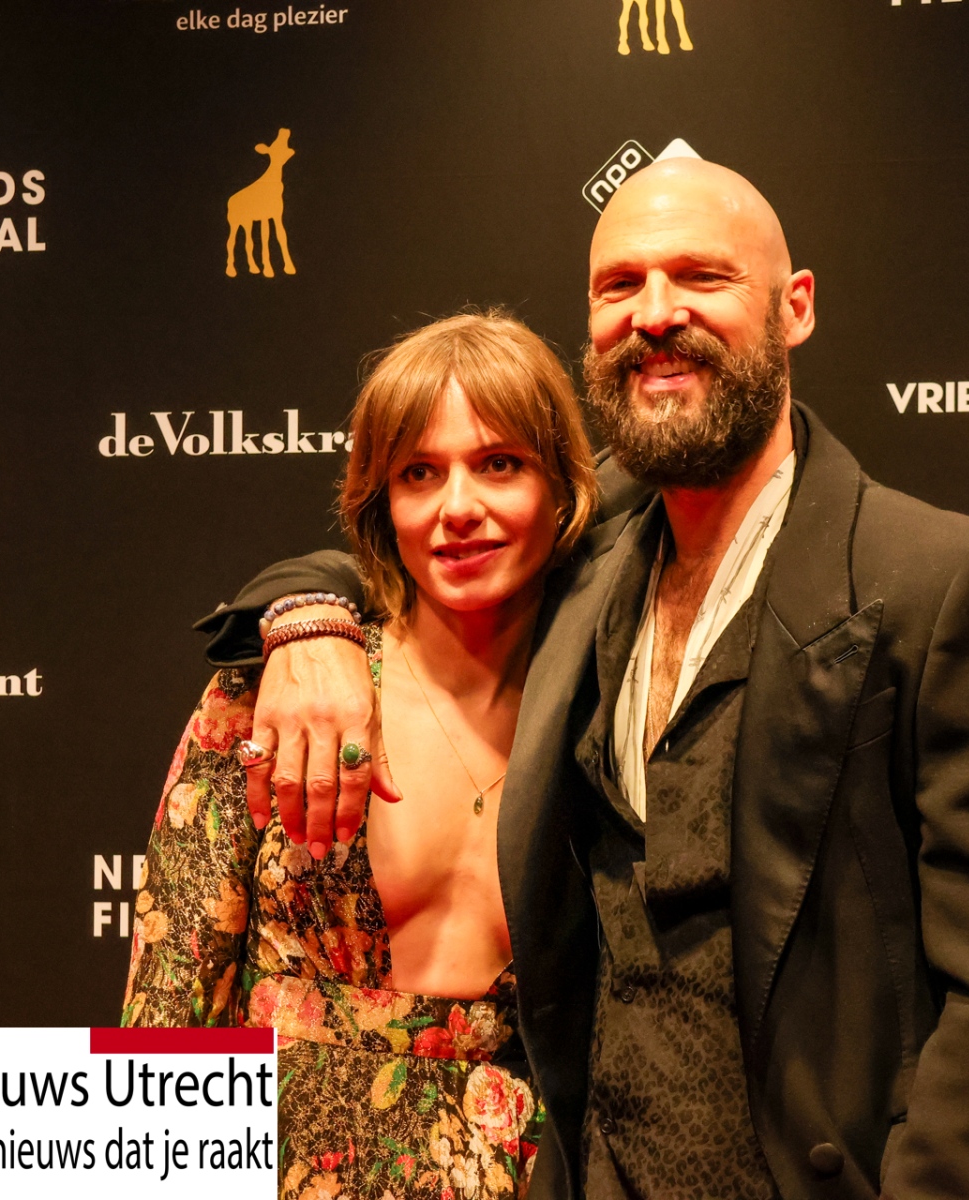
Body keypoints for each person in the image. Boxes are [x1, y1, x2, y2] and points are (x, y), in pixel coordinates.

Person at [197, 159, 969, 1199]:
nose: (656, 313)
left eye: (702, 277)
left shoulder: (944, 579)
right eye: (620, 285)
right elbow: (422, 544)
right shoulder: (588, 556)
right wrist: (307, 617)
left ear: (795, 307)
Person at [123, 312, 601, 1200]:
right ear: (382, 502)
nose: (458, 508)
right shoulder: (275, 695)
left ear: (561, 486)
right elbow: (168, 1005)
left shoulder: (609, 711)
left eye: (499, 463)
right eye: (420, 473)